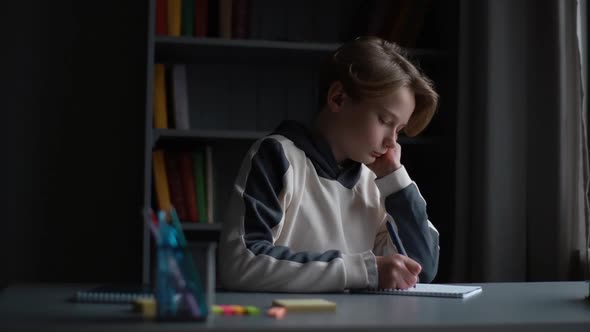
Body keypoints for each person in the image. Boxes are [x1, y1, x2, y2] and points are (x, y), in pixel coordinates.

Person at [218, 36, 440, 292]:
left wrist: (397, 182)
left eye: (399, 130)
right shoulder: (277, 156)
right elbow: (240, 262)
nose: (392, 142)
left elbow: (420, 269)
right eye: (384, 120)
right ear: (338, 98)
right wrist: (365, 271)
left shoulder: (379, 183)